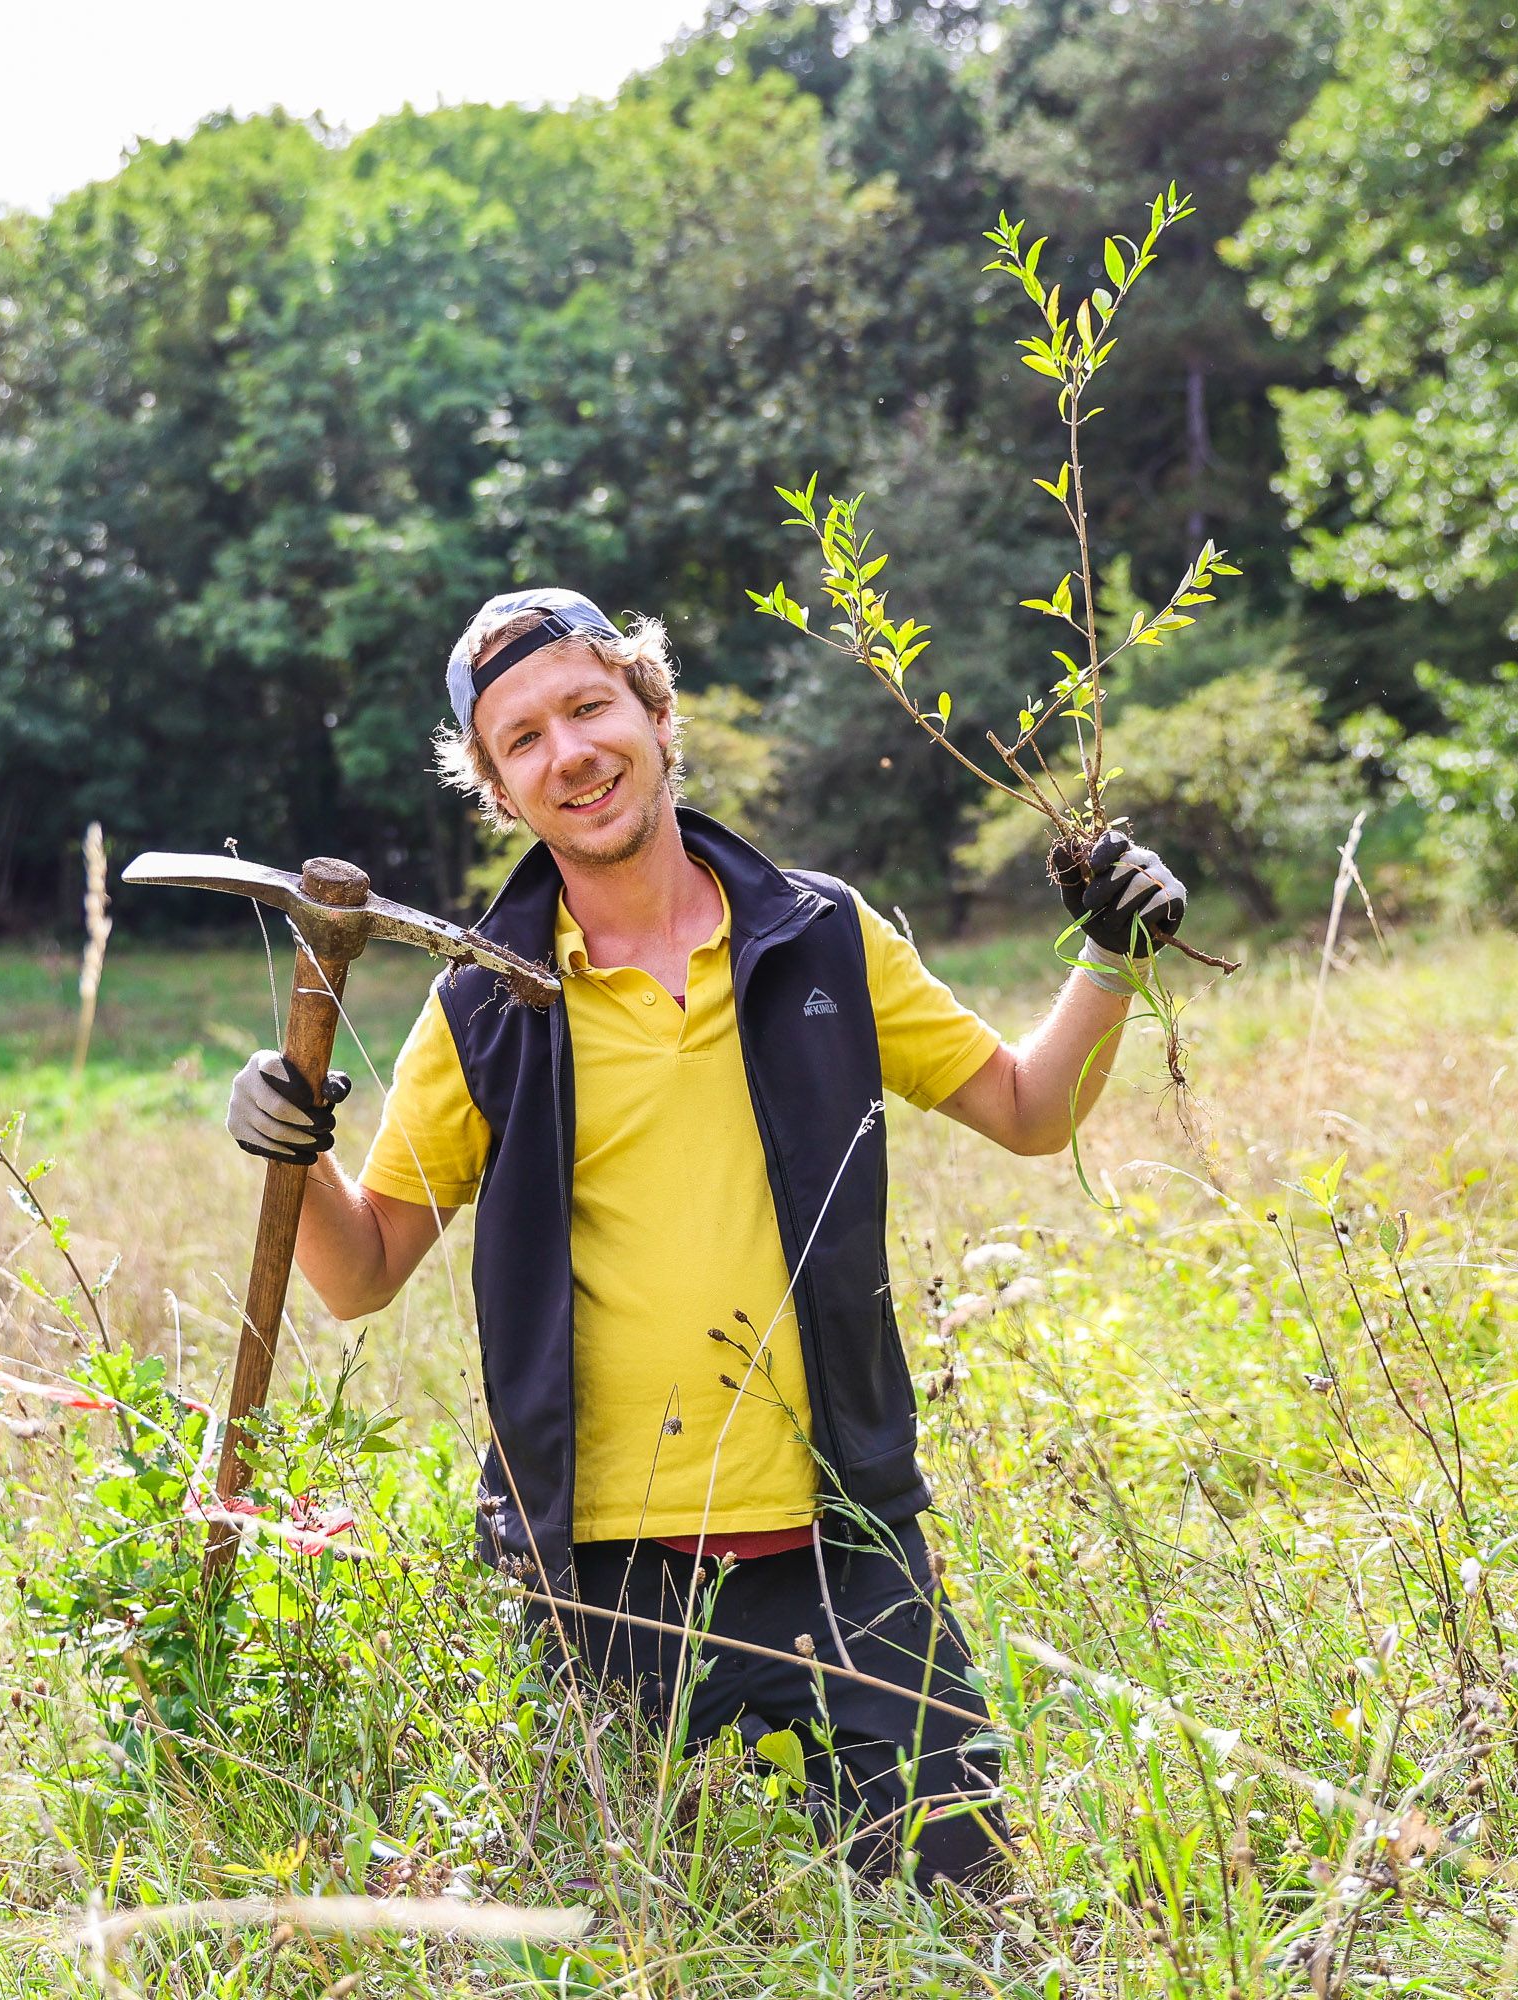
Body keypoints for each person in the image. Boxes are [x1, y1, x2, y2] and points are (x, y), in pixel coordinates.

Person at [223, 589, 1183, 1890]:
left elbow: (1028, 1109)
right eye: (522, 741)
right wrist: (299, 1151)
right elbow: (361, 1272)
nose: (568, 751)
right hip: (605, 1587)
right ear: (501, 792)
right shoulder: (484, 1008)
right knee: (651, 1941)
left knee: (967, 1912)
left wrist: (1112, 954)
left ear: (655, 715)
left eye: (586, 706)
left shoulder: (821, 935)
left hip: (848, 1546)